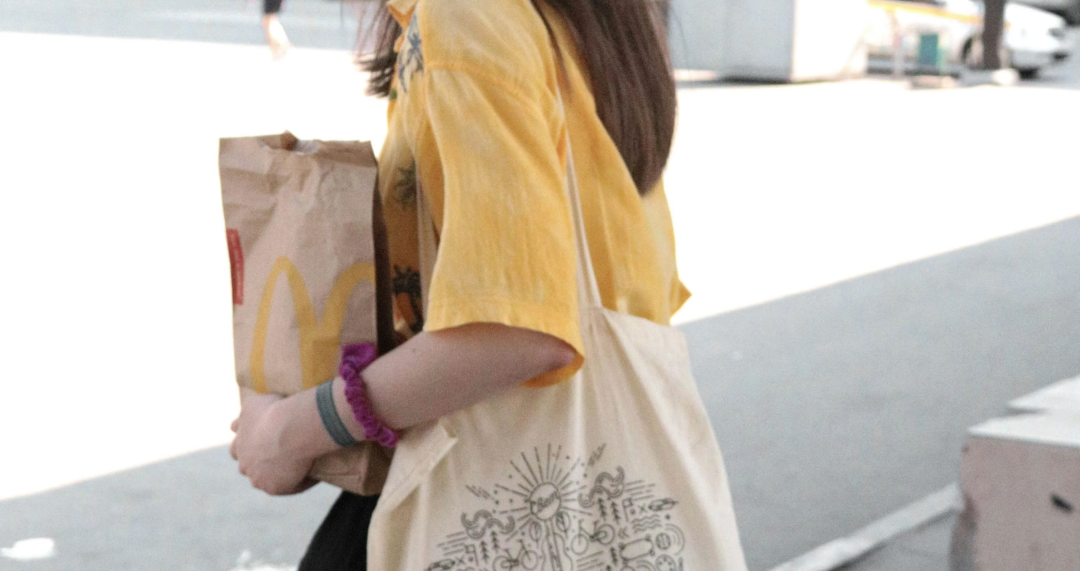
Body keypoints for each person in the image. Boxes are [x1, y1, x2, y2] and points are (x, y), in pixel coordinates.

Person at [229, 0, 720, 568]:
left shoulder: (466, 17)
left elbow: (516, 331)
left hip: (487, 462)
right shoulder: (576, 17)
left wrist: (293, 431)